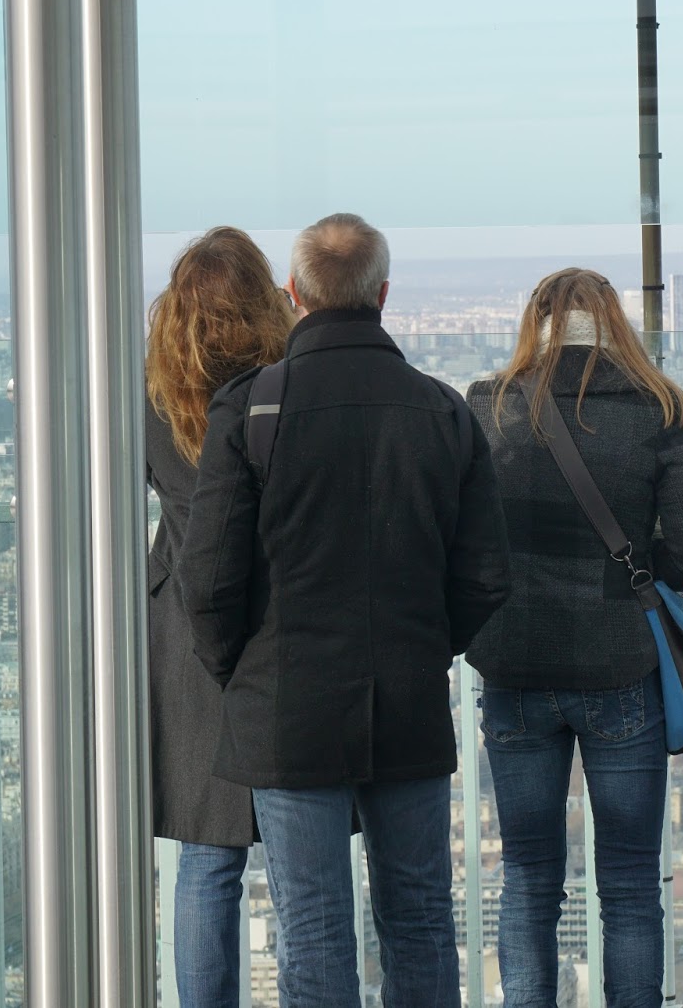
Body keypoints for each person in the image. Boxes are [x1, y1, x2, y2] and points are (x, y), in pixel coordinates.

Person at [179, 212, 512, 1008]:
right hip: (405, 699)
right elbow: (486, 574)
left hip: (284, 703)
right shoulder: (442, 412)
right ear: (384, 294)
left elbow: (210, 577)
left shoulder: (251, 410)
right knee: (422, 919)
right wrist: (425, 645)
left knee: (315, 928)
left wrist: (242, 670)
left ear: (295, 295)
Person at [464, 268, 683, 1007]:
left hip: (513, 662)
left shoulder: (490, 404)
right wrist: (640, 576)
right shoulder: (655, 408)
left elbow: (464, 537)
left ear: (534, 320)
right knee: (630, 884)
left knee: (527, 877)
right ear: (614, 322)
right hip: (620, 660)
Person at [145, 226, 295, 1007]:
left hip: (186, 636)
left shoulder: (154, 396)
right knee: (301, 860)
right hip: (285, 623)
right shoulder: (289, 386)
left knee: (207, 862)